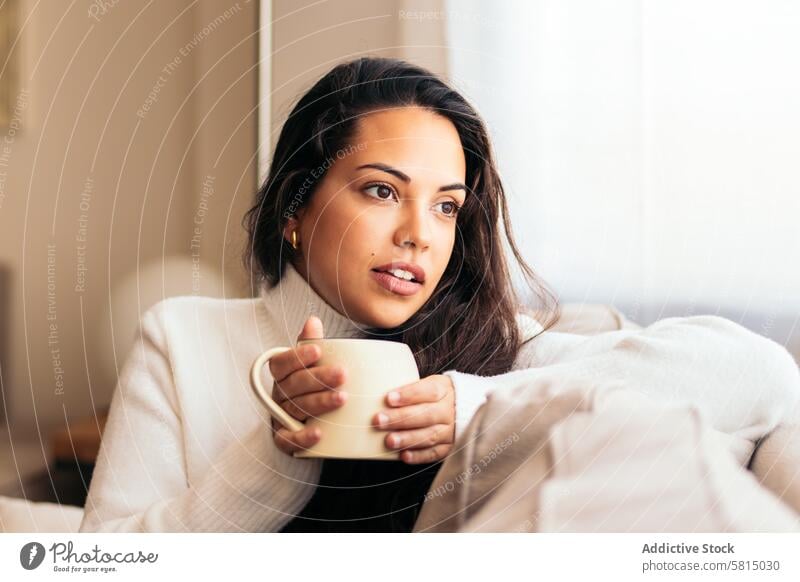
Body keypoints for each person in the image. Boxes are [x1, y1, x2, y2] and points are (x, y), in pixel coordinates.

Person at [79, 57, 799, 533]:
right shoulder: (183, 338)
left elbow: (764, 376)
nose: (419, 234)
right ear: (294, 208)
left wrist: (477, 403)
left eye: (448, 206)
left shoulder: (493, 350)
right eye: (383, 190)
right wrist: (279, 454)